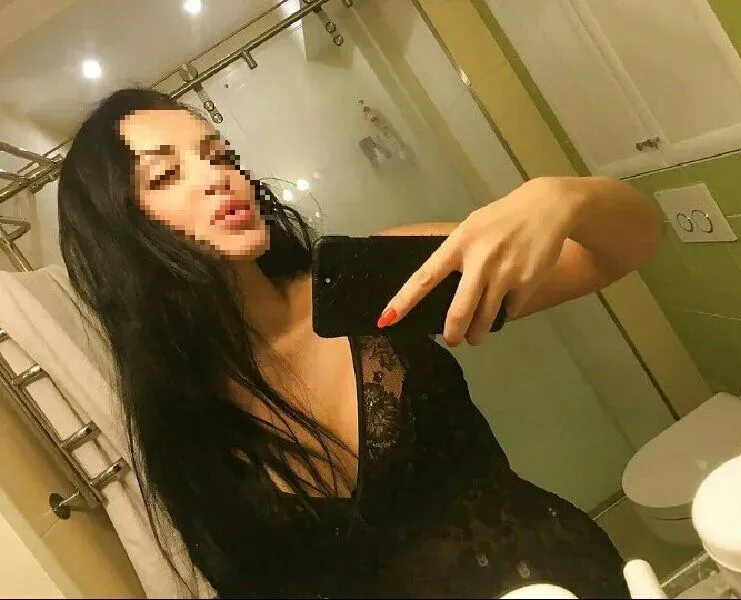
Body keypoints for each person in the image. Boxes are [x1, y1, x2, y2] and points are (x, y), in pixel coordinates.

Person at [57, 88, 661, 599]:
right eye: (166, 175)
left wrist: (564, 198)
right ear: (121, 237)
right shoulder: (182, 419)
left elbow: (625, 250)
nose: (217, 177)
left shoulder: (371, 280)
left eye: (218, 155)